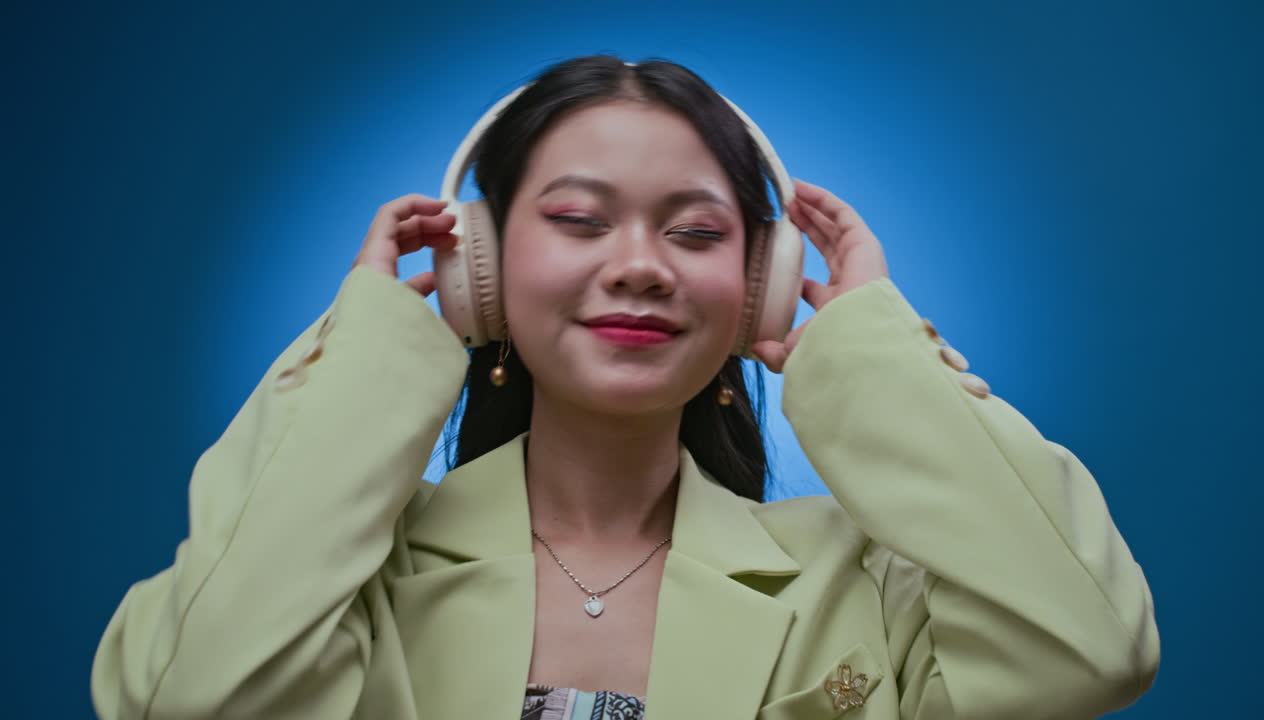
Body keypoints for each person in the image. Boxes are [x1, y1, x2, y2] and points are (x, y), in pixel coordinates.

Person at [91, 55, 1160, 719]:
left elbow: (1088, 651)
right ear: (477, 267)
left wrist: (872, 355)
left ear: (760, 285)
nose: (640, 265)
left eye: (694, 232)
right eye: (578, 221)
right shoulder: (348, 579)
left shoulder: (862, 584)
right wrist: (369, 351)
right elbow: (197, 697)